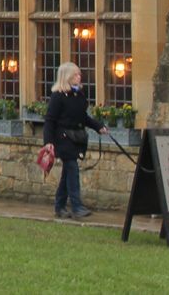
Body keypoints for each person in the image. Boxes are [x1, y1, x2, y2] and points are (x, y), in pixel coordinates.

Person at [42, 61, 107, 219]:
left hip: (76, 138)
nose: (79, 77)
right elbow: (50, 120)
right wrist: (48, 142)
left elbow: (83, 117)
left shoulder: (79, 95)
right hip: (63, 139)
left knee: (67, 173)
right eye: (76, 74)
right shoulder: (58, 96)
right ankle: (77, 206)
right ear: (68, 77)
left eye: (79, 74)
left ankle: (59, 206)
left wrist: (98, 127)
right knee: (72, 169)